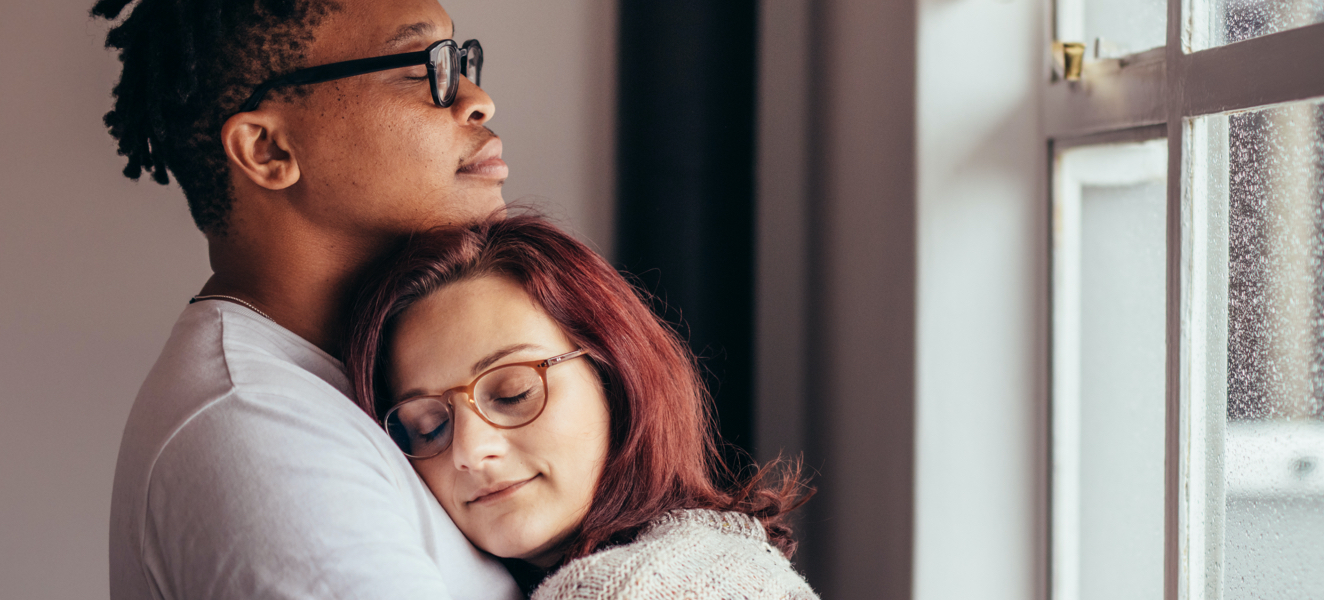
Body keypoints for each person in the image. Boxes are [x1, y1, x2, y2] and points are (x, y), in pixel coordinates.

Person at [97, 0, 521, 598]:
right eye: (418, 67)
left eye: (457, 59)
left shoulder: (380, 376)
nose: (478, 100)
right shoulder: (258, 437)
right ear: (267, 150)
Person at [342, 214, 815, 599]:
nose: (470, 449)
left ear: (615, 376)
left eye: (512, 393)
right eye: (427, 427)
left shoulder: (629, 586)